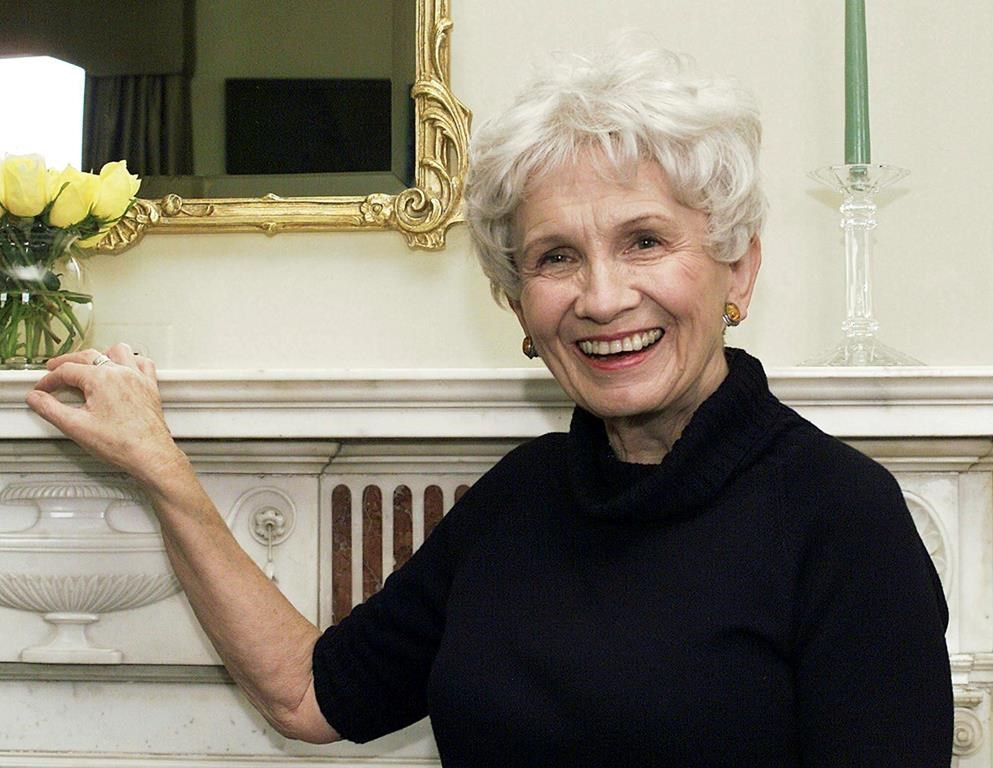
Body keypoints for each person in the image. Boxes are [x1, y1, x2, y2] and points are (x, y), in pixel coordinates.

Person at [25, 45, 951, 766]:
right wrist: (162, 468)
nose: (599, 297)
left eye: (643, 241)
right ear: (517, 305)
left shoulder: (841, 516)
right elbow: (310, 696)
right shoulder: (521, 497)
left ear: (737, 267)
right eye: (554, 257)